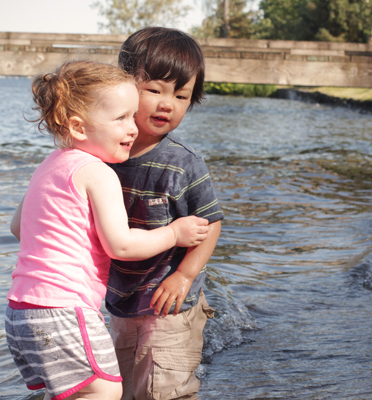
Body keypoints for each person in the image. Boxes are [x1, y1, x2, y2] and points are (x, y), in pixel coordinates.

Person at [6, 60, 210, 400]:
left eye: (133, 115)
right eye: (121, 118)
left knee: (74, 393)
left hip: (20, 312)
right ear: (79, 126)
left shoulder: (49, 164)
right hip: (64, 310)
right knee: (104, 392)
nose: (133, 128)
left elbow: (17, 227)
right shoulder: (97, 172)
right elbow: (122, 245)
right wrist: (175, 233)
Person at [106, 27, 225, 400]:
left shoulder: (183, 163)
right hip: (121, 299)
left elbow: (211, 223)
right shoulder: (104, 155)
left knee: (165, 389)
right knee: (121, 387)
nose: (167, 104)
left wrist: (186, 276)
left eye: (181, 95)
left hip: (172, 302)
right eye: (154, 89)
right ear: (124, 86)